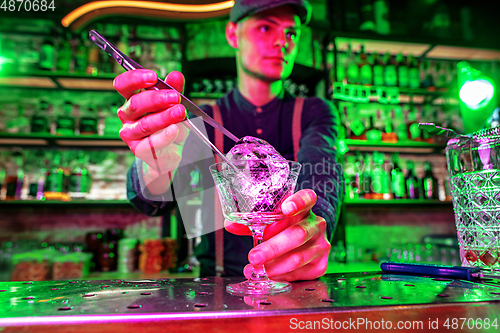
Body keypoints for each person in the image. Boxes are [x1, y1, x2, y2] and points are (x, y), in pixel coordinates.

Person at [115, 0, 344, 281]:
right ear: (233, 34)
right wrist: (154, 165)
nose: (282, 42)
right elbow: (151, 202)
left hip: (294, 288)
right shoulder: (202, 121)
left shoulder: (315, 112)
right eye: (265, 27)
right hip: (218, 290)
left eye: (291, 33)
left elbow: (322, 169)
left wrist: (314, 223)